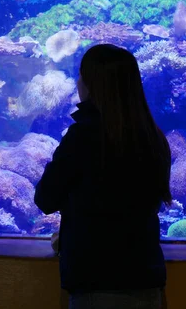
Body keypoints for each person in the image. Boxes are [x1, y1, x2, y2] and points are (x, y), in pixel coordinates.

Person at [34, 44, 172, 309]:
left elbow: (46, 198)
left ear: (91, 83)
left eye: (81, 75)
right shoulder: (153, 137)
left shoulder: (83, 136)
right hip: (147, 281)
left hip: (96, 283)